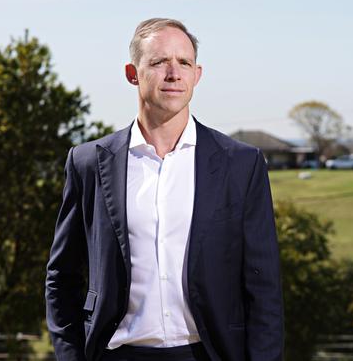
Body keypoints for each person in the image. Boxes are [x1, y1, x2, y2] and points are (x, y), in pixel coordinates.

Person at [45, 18, 284, 361]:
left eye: (184, 63)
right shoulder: (88, 164)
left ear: (197, 75)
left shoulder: (241, 164)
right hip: (116, 353)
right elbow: (61, 277)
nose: (174, 74)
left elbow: (264, 286)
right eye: (159, 62)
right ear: (133, 73)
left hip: (210, 354)